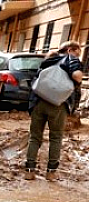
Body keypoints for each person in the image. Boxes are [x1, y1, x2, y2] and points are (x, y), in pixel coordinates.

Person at [24, 40, 83, 182]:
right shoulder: (71, 59)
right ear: (70, 50)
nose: (78, 56)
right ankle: (50, 173)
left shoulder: (48, 60)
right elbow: (77, 76)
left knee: (34, 137)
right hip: (58, 105)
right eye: (77, 53)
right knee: (55, 138)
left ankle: (29, 171)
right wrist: (78, 82)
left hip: (38, 101)